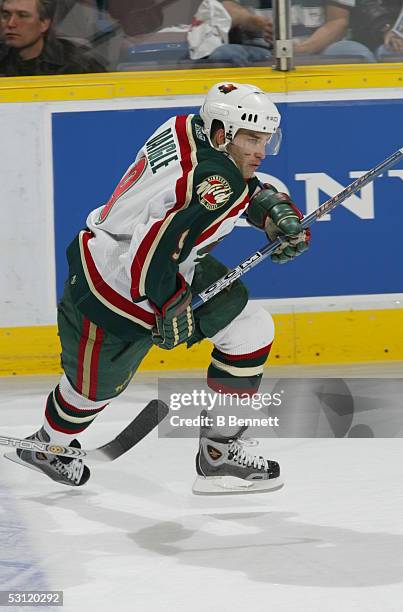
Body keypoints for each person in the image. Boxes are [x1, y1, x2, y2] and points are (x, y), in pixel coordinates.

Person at [6, 82, 311, 495]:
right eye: (251, 138)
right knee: (91, 391)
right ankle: (48, 447)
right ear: (222, 134)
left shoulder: (187, 125)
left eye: (265, 140)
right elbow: (153, 248)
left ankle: (219, 450)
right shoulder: (214, 179)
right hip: (113, 286)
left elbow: (217, 194)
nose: (260, 150)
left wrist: (272, 212)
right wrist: (170, 304)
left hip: (160, 265)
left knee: (249, 330)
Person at [203, 0, 375, 66]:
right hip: (260, 51)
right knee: (224, 55)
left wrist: (305, 48)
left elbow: (338, 21)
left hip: (320, 52)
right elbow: (225, 8)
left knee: (356, 53)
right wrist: (253, 21)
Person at [0, 0, 106, 76]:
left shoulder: (77, 65)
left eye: (23, 16)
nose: (11, 23)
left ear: (44, 24)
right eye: (6, 15)